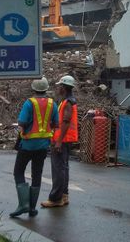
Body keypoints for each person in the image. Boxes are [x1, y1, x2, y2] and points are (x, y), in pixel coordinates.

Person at [10, 77, 59, 217]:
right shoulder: (52, 104)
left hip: (27, 144)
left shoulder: (29, 103)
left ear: (33, 88)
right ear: (46, 88)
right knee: (36, 174)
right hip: (43, 146)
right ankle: (32, 208)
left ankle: (23, 204)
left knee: (18, 172)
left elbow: (22, 121)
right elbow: (56, 123)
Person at [41, 75, 78, 208]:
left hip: (62, 140)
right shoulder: (67, 101)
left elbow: (66, 122)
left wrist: (58, 141)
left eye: (59, 86)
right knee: (63, 168)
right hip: (65, 139)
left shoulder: (68, 102)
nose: (58, 88)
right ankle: (64, 196)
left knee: (58, 170)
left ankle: (56, 198)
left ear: (64, 87)